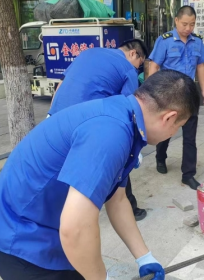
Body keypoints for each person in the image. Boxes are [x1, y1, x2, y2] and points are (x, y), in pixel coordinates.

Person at [0, 69, 200, 280]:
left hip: (46, 231)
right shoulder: (110, 133)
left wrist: (144, 257)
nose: (172, 133)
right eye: (178, 127)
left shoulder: (127, 119)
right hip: (19, 240)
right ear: (170, 118)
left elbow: (118, 199)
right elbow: (76, 228)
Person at [47, 39, 150, 221]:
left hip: (57, 117)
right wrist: (133, 146)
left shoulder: (89, 52)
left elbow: (61, 85)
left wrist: (51, 115)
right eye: (140, 64)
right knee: (117, 161)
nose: (138, 69)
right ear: (134, 53)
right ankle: (127, 207)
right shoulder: (127, 69)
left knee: (59, 166)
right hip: (86, 123)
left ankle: (56, 210)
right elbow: (129, 109)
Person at [146, 5, 204, 190]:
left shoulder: (197, 41)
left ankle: (188, 174)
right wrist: (152, 94)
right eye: (185, 24)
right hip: (168, 95)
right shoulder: (164, 41)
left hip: (189, 94)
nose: (188, 28)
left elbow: (200, 67)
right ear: (176, 21)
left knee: (190, 137)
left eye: (192, 24)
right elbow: (154, 66)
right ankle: (160, 157)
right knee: (166, 131)